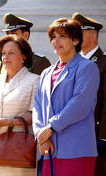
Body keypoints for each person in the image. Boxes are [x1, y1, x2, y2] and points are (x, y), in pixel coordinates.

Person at [33, 18, 100, 176]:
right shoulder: (46, 72)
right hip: (48, 150)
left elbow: (80, 104)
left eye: (62, 36)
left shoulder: (87, 67)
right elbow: (37, 106)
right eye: (53, 37)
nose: (56, 41)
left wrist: (50, 128)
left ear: (76, 40)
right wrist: (40, 136)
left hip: (76, 149)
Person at [0, 35, 39, 176]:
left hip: (18, 150)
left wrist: (8, 122)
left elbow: (35, 115)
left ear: (23, 57)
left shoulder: (35, 81)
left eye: (11, 53)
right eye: (3, 53)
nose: (6, 57)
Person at [72, 12, 106, 176]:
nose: (75, 38)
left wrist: (104, 137)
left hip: (95, 134)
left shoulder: (104, 62)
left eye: (80, 33)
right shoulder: (73, 62)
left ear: (93, 36)